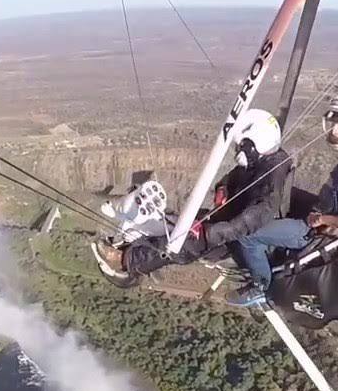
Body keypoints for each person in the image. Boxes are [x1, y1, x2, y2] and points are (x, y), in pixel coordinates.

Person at [225, 88, 338, 308]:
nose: (335, 132)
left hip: (317, 231)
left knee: (247, 236)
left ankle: (261, 286)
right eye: (334, 124)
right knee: (284, 194)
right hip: (329, 211)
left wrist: (323, 220)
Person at [92, 109, 292, 279]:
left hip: (240, 238)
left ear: (254, 144)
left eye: (241, 146)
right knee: (181, 221)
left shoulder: (270, 182)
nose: (239, 151)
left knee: (180, 242)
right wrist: (223, 188)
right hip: (227, 221)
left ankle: (125, 262)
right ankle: (133, 239)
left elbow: (250, 220)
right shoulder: (264, 162)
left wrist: (209, 232)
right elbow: (236, 175)